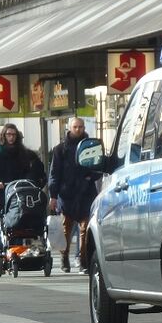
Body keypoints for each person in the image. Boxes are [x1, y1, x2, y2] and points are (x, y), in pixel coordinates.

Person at [48, 117, 101, 273]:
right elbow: (54, 173)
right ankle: (64, 257)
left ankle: (83, 261)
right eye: (75, 127)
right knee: (66, 229)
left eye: (81, 127)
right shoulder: (60, 149)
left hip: (86, 194)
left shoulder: (92, 146)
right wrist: (53, 195)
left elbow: (98, 167)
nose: (78, 129)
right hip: (67, 195)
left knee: (85, 230)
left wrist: (90, 177)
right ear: (69, 128)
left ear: (84, 128)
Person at [0, 123, 46, 216]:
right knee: (3, 224)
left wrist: (32, 183)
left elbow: (37, 173)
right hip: (1, 194)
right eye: (8, 134)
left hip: (20, 194)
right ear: (3, 135)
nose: (11, 137)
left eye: (14, 135)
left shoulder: (24, 153)